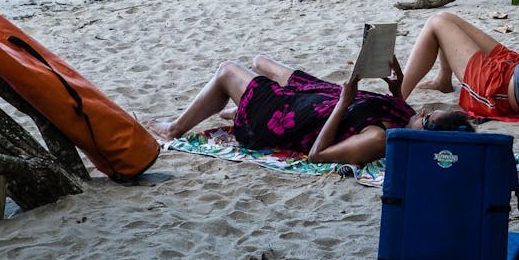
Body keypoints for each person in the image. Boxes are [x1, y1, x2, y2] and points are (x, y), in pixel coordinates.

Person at [146, 55, 473, 166]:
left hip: (288, 120)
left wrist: (345, 101)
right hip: (316, 97)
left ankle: (174, 128)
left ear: (425, 138)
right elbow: (395, 110)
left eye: (427, 117)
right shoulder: (406, 120)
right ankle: (240, 107)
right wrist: (395, 87)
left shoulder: (379, 139)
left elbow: (317, 156)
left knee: (227, 71)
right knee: (261, 61)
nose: (423, 110)